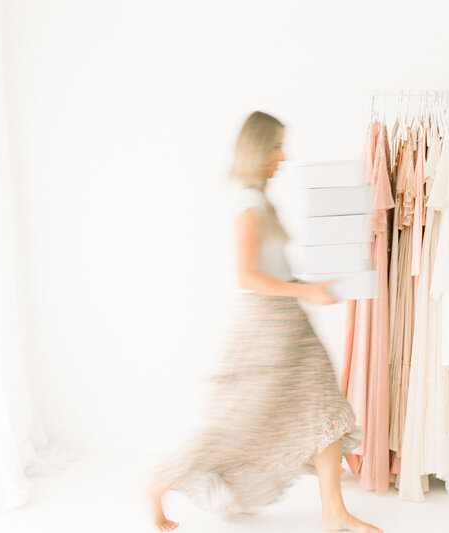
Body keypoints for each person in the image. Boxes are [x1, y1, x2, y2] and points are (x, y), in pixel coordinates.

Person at [147, 111, 382, 533]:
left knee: (325, 407)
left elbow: (272, 269)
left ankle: (334, 513)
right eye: (276, 146)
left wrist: (311, 285)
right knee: (238, 421)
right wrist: (304, 291)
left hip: (288, 321)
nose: (284, 156)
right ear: (257, 149)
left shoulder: (261, 199)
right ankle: (157, 485)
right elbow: (247, 277)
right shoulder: (249, 204)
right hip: (266, 327)